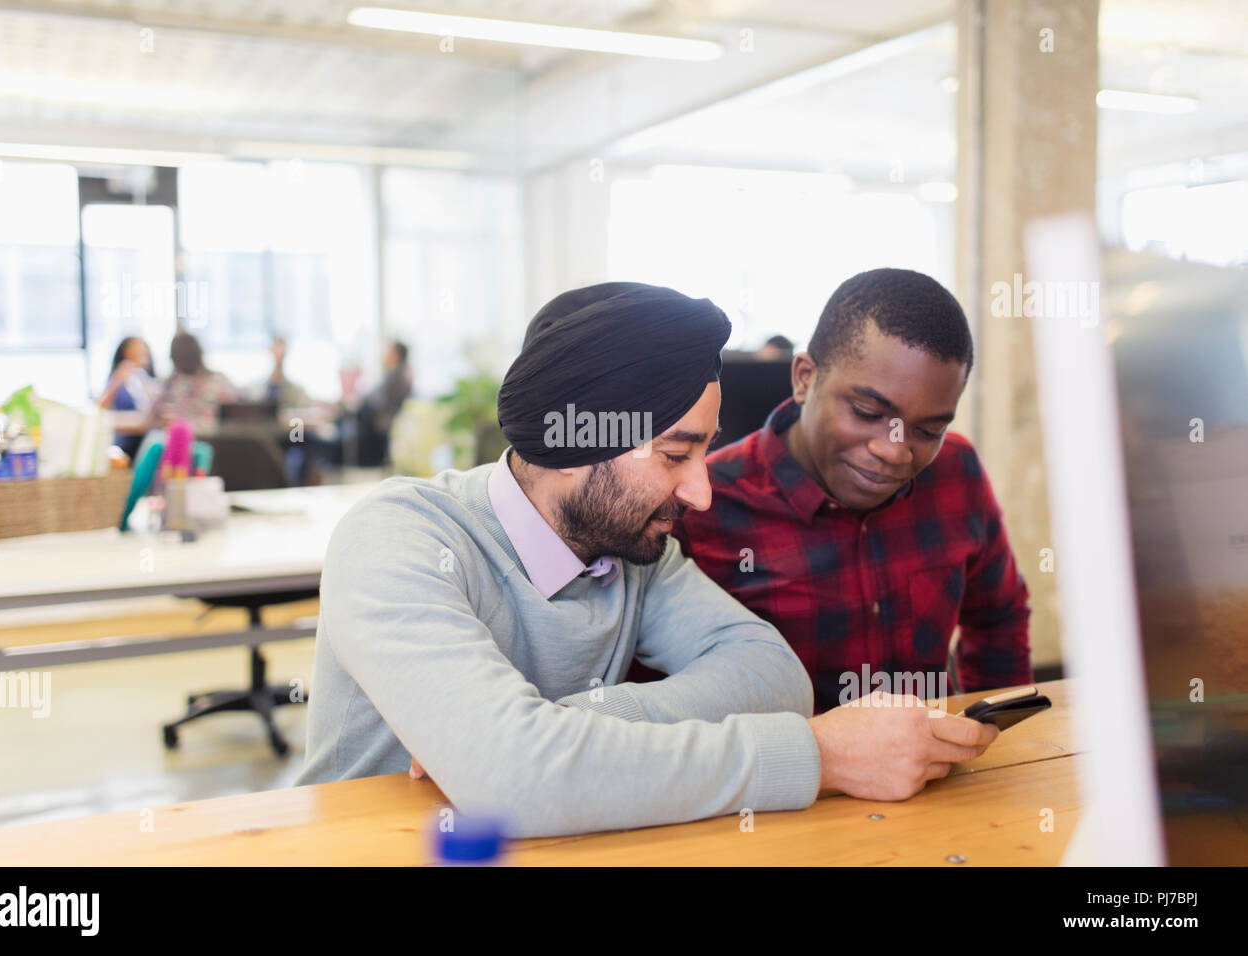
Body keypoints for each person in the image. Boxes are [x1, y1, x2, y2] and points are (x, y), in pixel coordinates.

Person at [296, 281, 999, 838]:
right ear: (574, 442)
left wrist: (560, 725)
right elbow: (517, 784)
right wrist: (818, 757)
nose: (699, 491)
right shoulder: (398, 540)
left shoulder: (635, 551)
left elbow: (772, 677)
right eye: (674, 454)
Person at [675, 268, 1032, 713]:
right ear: (805, 378)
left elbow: (998, 614)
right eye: (866, 412)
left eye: (926, 429)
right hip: (787, 779)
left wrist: (997, 733)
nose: (894, 452)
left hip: (943, 774)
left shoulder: (956, 470)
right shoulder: (701, 504)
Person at [147, 331, 238, 434]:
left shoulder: (172, 383)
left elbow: (151, 415)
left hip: (184, 438)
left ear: (173, 357)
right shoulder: (218, 380)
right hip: (213, 439)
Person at [98, 336, 159, 458]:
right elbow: (100, 409)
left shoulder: (152, 383)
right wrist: (116, 382)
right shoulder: (118, 379)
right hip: (124, 441)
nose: (139, 357)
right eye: (134, 352)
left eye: (142, 353)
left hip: (146, 437)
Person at [357, 341, 412, 466]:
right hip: (373, 422)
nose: (384, 355)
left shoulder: (396, 377)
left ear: (396, 355)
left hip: (375, 425)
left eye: (388, 352)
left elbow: (378, 402)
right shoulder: (395, 375)